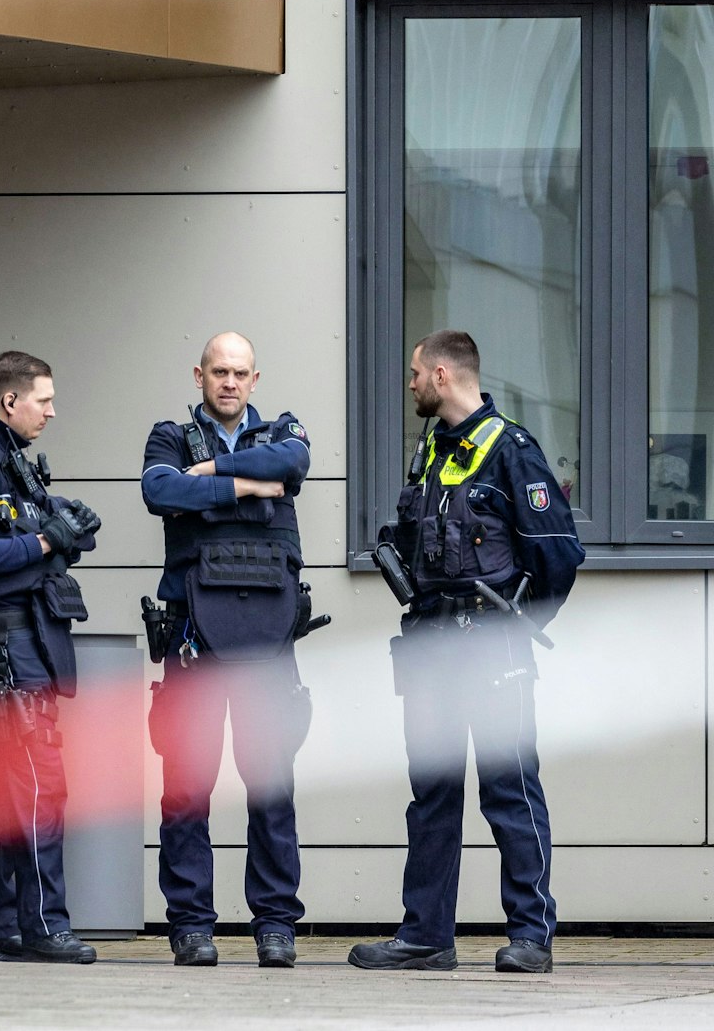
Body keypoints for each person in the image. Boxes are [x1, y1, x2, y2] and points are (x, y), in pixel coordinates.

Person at [350, 330, 583, 975]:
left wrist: (514, 627)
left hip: (492, 648)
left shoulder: (511, 450)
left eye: (417, 373)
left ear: (444, 374)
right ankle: (427, 936)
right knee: (432, 792)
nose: (411, 383)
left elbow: (557, 555)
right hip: (430, 647)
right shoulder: (429, 451)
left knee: (508, 787)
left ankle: (531, 935)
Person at [139, 331, 317, 968]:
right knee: (187, 784)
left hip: (268, 637)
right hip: (193, 636)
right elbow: (161, 490)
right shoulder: (169, 437)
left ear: (255, 378)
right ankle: (190, 924)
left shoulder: (282, 430)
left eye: (241, 373)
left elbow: (292, 465)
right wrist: (248, 489)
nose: (230, 383)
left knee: (270, 782)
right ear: (199, 375)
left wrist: (215, 474)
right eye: (219, 371)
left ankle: (275, 923)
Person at [0, 351, 102, 964]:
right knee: (40, 783)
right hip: (7, 639)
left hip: (27, 635)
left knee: (4, 791)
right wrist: (45, 539)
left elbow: (27, 542)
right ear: (11, 400)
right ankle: (44, 926)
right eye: (44, 399)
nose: (52, 411)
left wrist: (65, 529)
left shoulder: (7, 456)